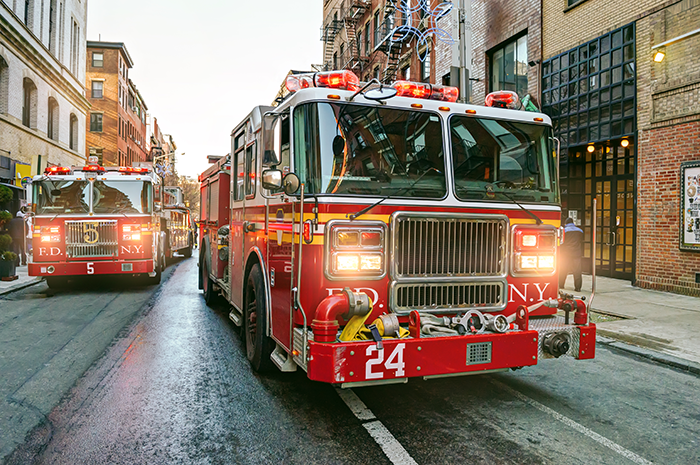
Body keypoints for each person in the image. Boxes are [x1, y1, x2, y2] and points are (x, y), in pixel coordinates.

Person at [559, 217, 584, 292]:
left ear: (566, 223)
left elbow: (561, 242)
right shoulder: (580, 231)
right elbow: (581, 240)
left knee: (563, 269)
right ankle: (578, 287)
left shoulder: (564, 230)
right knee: (577, 270)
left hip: (566, 253)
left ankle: (561, 284)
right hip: (576, 253)